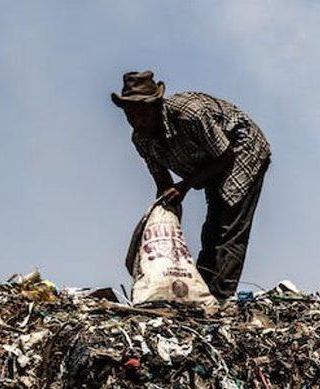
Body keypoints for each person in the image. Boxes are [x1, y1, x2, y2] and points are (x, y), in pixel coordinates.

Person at [112, 70, 270, 299]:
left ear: (155, 105)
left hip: (240, 150)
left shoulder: (189, 115)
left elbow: (225, 156)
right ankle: (202, 293)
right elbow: (163, 183)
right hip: (208, 163)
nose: (135, 120)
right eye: (129, 114)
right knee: (211, 231)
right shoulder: (141, 138)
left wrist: (184, 186)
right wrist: (168, 218)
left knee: (228, 226)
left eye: (140, 112)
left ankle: (220, 297)